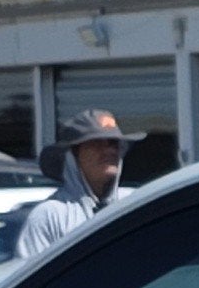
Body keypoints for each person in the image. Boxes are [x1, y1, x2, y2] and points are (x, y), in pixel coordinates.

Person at [14, 112, 134, 266]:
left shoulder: (133, 203)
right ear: (73, 157)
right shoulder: (50, 216)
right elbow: (29, 281)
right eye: (97, 144)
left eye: (113, 143)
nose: (109, 151)